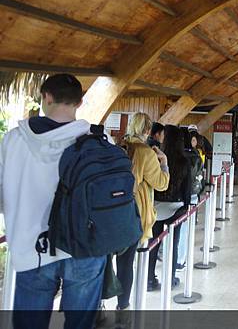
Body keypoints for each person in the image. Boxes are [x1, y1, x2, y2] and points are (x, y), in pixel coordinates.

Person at [0, 74, 105, 329]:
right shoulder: (99, 142)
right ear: (79, 103)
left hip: (31, 248)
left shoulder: (13, 140)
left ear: (46, 97)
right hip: (83, 248)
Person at [118, 112, 169, 311]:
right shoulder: (145, 152)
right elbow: (161, 183)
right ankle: (123, 308)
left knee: (107, 262)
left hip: (112, 211)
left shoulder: (120, 145)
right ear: (148, 130)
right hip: (135, 212)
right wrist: (163, 162)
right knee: (126, 263)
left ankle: (99, 306)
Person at [148, 125, 192, 291]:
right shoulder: (183, 160)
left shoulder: (156, 157)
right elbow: (187, 188)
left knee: (153, 243)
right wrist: (188, 207)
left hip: (157, 205)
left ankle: (149, 278)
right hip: (176, 207)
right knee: (173, 243)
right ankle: (170, 277)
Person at [176, 129, 202, 269]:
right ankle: (180, 259)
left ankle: (175, 257)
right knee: (184, 230)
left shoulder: (173, 155)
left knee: (175, 230)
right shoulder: (194, 157)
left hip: (176, 198)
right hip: (190, 196)